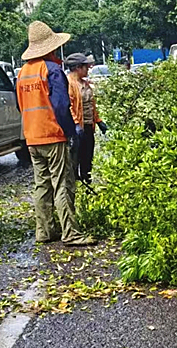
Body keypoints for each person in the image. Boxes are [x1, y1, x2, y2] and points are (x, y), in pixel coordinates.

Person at [16, 21, 95, 246]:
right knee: (62, 183)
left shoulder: (23, 73)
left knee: (42, 185)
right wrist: (71, 133)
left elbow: (20, 106)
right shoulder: (51, 70)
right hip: (53, 135)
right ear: (50, 47)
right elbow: (61, 107)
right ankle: (71, 233)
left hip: (32, 137)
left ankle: (44, 231)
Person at [64, 53, 108, 184]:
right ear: (78, 67)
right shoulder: (69, 84)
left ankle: (86, 183)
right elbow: (69, 106)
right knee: (75, 159)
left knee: (87, 158)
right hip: (77, 129)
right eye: (86, 67)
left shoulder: (85, 84)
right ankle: (76, 187)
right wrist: (76, 124)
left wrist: (98, 121)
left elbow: (91, 105)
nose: (88, 70)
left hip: (88, 126)